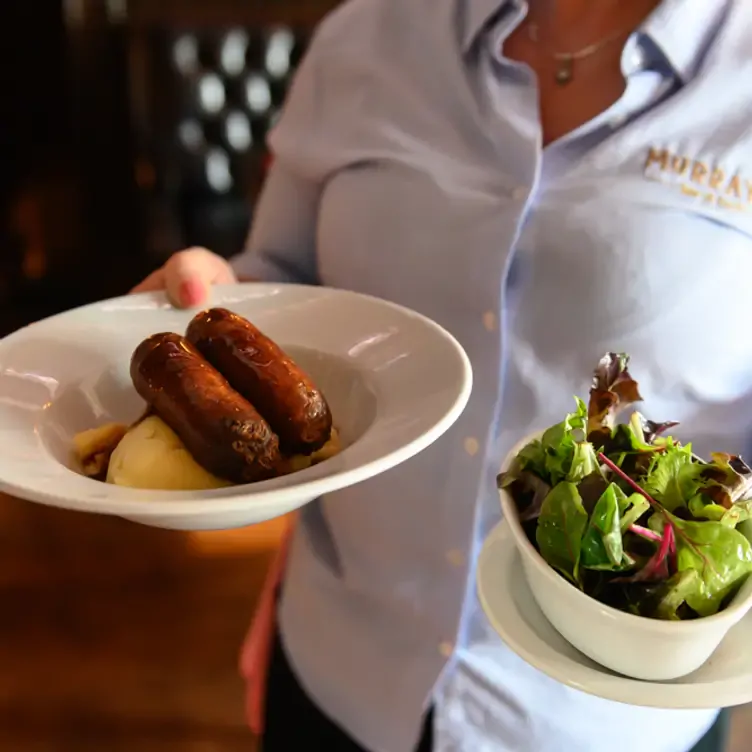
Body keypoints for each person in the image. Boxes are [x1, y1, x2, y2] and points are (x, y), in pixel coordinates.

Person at [132, 1, 752, 749]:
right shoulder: (369, 34)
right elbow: (284, 283)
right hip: (342, 663)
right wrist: (213, 295)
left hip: (605, 723)